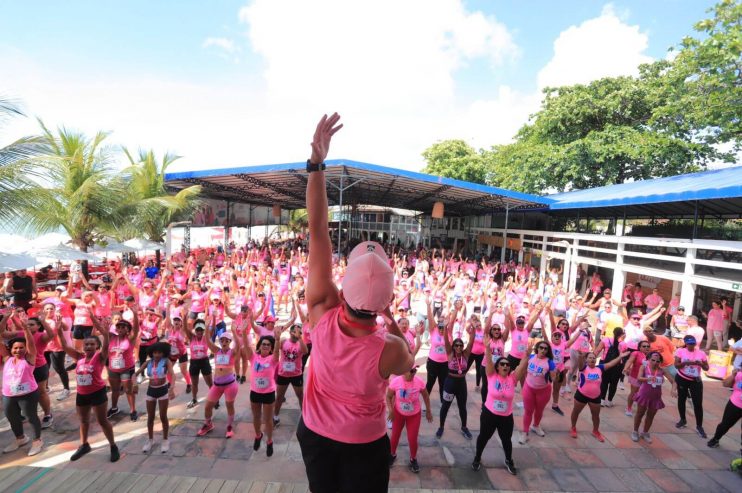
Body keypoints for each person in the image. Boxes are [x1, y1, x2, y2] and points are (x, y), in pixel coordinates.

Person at [297, 113, 413, 493]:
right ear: (387, 300)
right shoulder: (390, 349)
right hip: (365, 445)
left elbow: (317, 231)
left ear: (343, 289)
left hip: (315, 436)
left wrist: (316, 165)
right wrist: (390, 321)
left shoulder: (321, 310)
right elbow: (409, 362)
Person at [55, 314, 120, 461]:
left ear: (97, 346)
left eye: (92, 344)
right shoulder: (79, 357)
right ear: (83, 346)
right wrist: (59, 330)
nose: (89, 346)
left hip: (97, 393)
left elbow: (106, 346)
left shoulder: (100, 357)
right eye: (86, 344)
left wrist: (105, 333)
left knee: (102, 420)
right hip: (82, 394)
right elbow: (65, 346)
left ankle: (113, 445)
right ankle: (84, 445)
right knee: (83, 421)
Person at [472, 335, 530, 475]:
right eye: (502, 364)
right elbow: (489, 362)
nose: (505, 366)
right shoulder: (491, 375)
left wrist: (527, 355)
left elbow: (522, 367)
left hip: (506, 417)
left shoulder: (513, 378)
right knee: (483, 437)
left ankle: (509, 460)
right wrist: (487, 348)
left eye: (507, 364)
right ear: (497, 367)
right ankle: (477, 457)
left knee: (506, 440)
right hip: (489, 414)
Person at [0, 311, 43, 456]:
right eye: (15, 348)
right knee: (12, 417)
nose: (18, 350)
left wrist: (25, 329)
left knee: (31, 417)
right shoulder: (7, 359)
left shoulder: (29, 358)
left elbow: (30, 343)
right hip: (9, 395)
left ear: (25, 349)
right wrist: (5, 318)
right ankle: (20, 438)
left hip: (28, 394)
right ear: (11, 350)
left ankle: (37, 441)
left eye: (21, 347)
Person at [570, 350, 628, 442]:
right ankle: (573, 428)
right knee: (576, 412)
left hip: (596, 397)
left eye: (594, 358)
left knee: (596, 416)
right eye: (590, 358)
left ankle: (595, 431)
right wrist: (581, 356)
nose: (592, 359)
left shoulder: (600, 368)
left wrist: (620, 357)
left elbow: (611, 364)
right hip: (581, 395)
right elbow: (580, 362)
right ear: (586, 360)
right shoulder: (583, 368)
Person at [436, 306, 475, 440]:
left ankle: (464, 427)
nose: (458, 347)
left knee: (462, 407)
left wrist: (473, 329)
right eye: (456, 345)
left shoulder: (465, 354)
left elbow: (471, 341)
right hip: (450, 382)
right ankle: (441, 427)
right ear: (453, 347)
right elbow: (447, 340)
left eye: (460, 345)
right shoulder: (450, 353)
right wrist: (446, 328)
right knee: (445, 406)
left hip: (461, 383)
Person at [386, 366, 432, 474]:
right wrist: (391, 410)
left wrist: (428, 411)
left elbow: (426, 396)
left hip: (414, 415)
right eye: (410, 371)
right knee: (394, 436)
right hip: (398, 414)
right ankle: (392, 454)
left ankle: (413, 459)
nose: (412, 373)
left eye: (414, 371)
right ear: (403, 371)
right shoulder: (395, 382)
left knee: (412, 439)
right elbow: (388, 397)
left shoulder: (419, 382)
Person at [135, 342, 176, 453]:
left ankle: (165, 439)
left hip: (163, 390)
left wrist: (171, 388)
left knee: (163, 416)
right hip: (151, 390)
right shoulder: (148, 363)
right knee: (150, 417)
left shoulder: (166, 362)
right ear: (151, 353)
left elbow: (172, 374)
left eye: (159, 352)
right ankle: (150, 439)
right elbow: (135, 374)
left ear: (163, 353)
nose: (157, 355)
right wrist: (134, 384)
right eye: (155, 353)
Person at [519, 339, 557, 444]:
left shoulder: (550, 363)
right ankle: (525, 433)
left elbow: (554, 379)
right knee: (528, 411)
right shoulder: (531, 357)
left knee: (539, 410)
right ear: (537, 349)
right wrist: (526, 356)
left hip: (543, 391)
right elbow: (522, 368)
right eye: (541, 348)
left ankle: (535, 425)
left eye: (545, 348)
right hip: (529, 388)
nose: (543, 350)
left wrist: (555, 374)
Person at [631, 351, 673, 443]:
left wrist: (673, 389)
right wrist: (648, 379)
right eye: (653, 360)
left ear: (660, 362)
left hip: (656, 397)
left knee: (651, 415)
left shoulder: (662, 370)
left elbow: (673, 381)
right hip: (644, 395)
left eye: (657, 361)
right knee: (640, 413)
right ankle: (635, 431)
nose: (655, 362)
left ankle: (645, 432)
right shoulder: (644, 367)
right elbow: (639, 378)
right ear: (649, 360)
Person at [246, 334, 277, 456]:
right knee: (256, 417)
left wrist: (278, 339)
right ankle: (258, 435)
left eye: (268, 345)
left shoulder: (273, 359)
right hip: (255, 393)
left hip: (268, 393)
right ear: (259, 346)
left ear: (271, 348)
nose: (265, 346)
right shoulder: (253, 358)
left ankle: (269, 441)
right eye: (263, 344)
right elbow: (247, 345)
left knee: (268, 419)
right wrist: (244, 333)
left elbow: (277, 352)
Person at [674, 335, 709, 438]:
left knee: (697, 403)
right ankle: (682, 419)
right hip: (682, 378)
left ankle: (699, 426)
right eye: (689, 343)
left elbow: (707, 368)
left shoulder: (701, 353)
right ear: (686, 343)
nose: (691, 345)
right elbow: (676, 365)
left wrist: (701, 364)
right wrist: (685, 363)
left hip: (695, 380)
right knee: (682, 399)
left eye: (693, 343)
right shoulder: (681, 351)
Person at [274, 322, 308, 427]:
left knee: (300, 396)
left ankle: (304, 417)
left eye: (298, 331)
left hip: (296, 375)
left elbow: (305, 351)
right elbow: (275, 351)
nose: (296, 333)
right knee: (279, 396)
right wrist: (277, 338)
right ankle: (275, 416)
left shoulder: (300, 343)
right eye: (294, 331)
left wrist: (300, 338)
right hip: (283, 374)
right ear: (290, 332)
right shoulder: (284, 341)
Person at [106, 312, 140, 421]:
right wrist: (97, 320)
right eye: (118, 327)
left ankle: (133, 410)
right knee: (114, 390)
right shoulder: (111, 337)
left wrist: (135, 315)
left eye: (123, 327)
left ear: (127, 329)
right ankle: (114, 408)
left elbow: (136, 329)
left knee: (128, 390)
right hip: (113, 369)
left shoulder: (130, 339)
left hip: (126, 369)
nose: (120, 329)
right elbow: (101, 330)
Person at [706, 367, 742, 448]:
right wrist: (733, 375)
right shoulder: (739, 374)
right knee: (725, 424)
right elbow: (725, 384)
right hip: (735, 404)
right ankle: (716, 439)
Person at [623, 341, 652, 417]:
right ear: (639, 347)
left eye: (648, 346)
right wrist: (626, 368)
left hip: (647, 378)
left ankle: (641, 407)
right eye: (644, 346)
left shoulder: (651, 355)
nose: (646, 348)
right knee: (634, 392)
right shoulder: (636, 353)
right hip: (635, 377)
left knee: (644, 394)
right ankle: (629, 408)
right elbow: (629, 361)